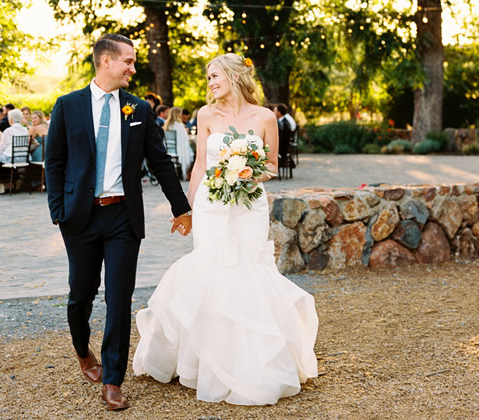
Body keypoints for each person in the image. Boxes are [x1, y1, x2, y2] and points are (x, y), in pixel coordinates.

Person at [133, 53, 319, 405]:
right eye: (208, 78)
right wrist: (185, 209)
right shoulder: (205, 114)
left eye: (215, 76)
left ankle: (250, 361)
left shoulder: (265, 117)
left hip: (249, 204)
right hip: (211, 204)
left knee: (247, 267)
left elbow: (272, 166)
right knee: (211, 266)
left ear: (234, 77)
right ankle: (202, 361)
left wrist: (243, 172)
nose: (210, 83)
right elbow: (201, 163)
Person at [44, 33, 192, 411]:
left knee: (119, 298)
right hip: (80, 216)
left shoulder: (139, 109)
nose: (133, 67)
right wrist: (58, 211)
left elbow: (160, 162)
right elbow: (55, 163)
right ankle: (82, 349)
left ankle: (113, 379)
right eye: (128, 61)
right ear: (106, 61)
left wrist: (181, 207)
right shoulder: (67, 105)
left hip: (123, 217)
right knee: (81, 293)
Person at [0, 109, 29, 193]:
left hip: (11, 158)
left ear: (11, 119)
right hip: (23, 158)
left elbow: (1, 147)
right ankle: (9, 184)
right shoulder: (25, 130)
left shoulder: (9, 131)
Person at [163, 106, 194, 180]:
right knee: (193, 153)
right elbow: (185, 141)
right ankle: (188, 174)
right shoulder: (179, 126)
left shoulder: (166, 125)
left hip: (168, 150)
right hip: (177, 151)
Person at [273, 103, 296, 169]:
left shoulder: (283, 124)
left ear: (279, 112)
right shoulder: (285, 122)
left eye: (275, 111)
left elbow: (282, 140)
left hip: (282, 149)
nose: (274, 113)